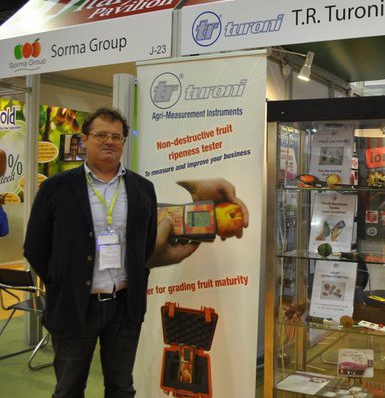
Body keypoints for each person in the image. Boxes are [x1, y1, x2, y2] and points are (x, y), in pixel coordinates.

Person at [23, 107, 247, 397]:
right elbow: (35, 246)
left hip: (125, 307)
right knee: (68, 388)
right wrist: (62, 282)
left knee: (121, 387)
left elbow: (147, 242)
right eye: (101, 135)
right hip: (75, 306)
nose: (109, 141)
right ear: (85, 139)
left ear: (123, 142)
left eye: (116, 136)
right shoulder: (56, 188)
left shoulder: (142, 188)